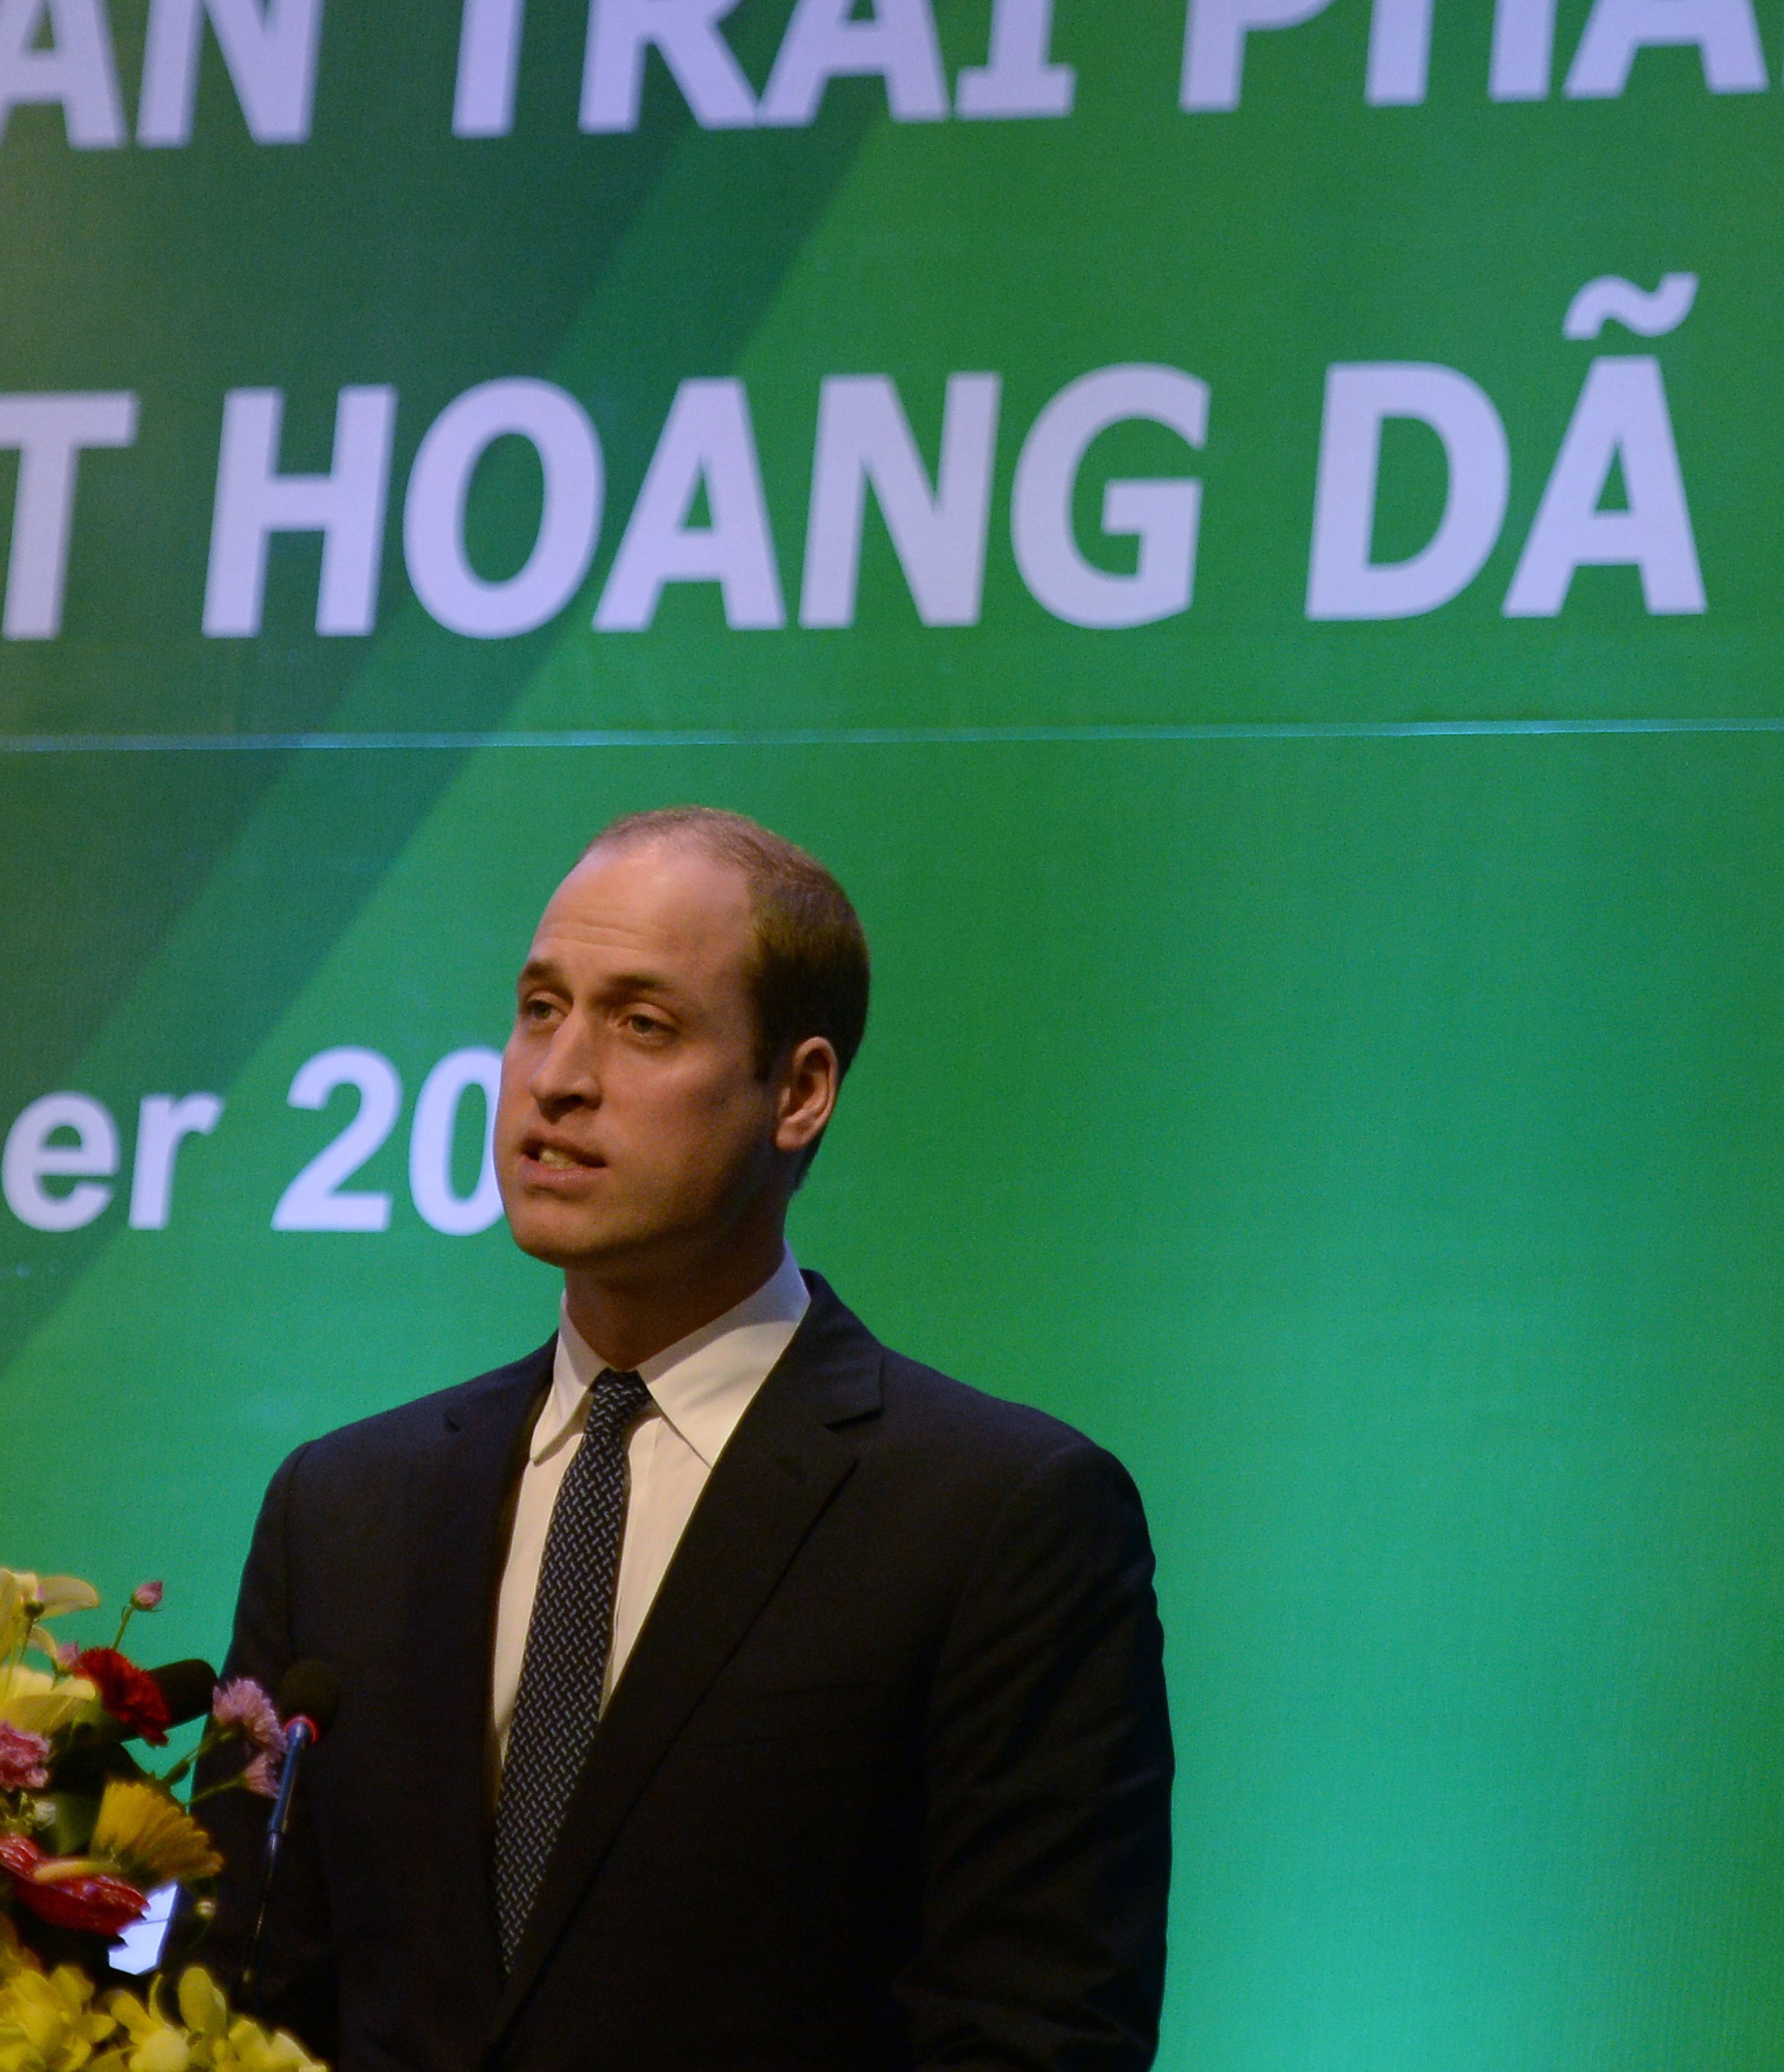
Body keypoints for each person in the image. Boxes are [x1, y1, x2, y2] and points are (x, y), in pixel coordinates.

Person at [213, 807, 1170, 2070]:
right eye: (541, 1007)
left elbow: (1035, 2034)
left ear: (800, 1090)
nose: (557, 1075)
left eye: (642, 1024)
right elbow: (236, 1995)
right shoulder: (342, 1509)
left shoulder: (1002, 1516)